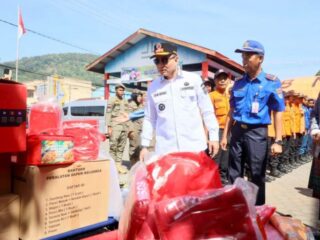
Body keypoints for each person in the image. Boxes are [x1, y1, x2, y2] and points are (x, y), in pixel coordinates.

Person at [221, 40, 285, 205]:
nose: (244, 59)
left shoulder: (271, 82)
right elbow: (231, 111)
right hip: (237, 132)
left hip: (257, 133)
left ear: (260, 58)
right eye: (243, 55)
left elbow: (278, 111)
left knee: (256, 174)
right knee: (233, 172)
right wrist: (225, 134)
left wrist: (278, 140)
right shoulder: (238, 83)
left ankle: (258, 213)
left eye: (248, 55)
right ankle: (235, 208)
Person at [140, 42, 219, 160]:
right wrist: (145, 145)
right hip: (166, 151)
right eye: (157, 61)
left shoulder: (194, 80)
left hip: (194, 148)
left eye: (165, 60)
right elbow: (149, 118)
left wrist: (214, 137)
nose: (161, 65)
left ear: (176, 59)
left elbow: (207, 111)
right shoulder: (153, 87)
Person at [209, 69, 231, 184]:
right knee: (216, 157)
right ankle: (214, 181)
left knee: (226, 157)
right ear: (215, 80)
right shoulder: (211, 96)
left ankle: (223, 179)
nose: (222, 81)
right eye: (219, 78)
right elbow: (208, 116)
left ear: (228, 80)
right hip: (218, 131)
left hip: (231, 131)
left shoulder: (231, 95)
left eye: (224, 78)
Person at [106, 84, 129, 174]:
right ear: (116, 90)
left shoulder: (125, 101)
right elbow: (108, 113)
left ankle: (118, 165)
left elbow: (127, 114)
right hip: (115, 126)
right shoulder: (112, 99)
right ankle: (112, 166)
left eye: (122, 90)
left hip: (124, 126)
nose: (121, 92)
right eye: (120, 90)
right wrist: (109, 127)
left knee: (121, 147)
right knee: (113, 146)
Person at [127, 92, 144, 165]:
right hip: (133, 129)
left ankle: (138, 164)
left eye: (141, 96)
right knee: (133, 147)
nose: (140, 98)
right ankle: (133, 164)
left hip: (140, 129)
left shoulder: (140, 105)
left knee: (139, 147)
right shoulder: (131, 105)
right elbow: (128, 119)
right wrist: (130, 131)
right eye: (138, 96)